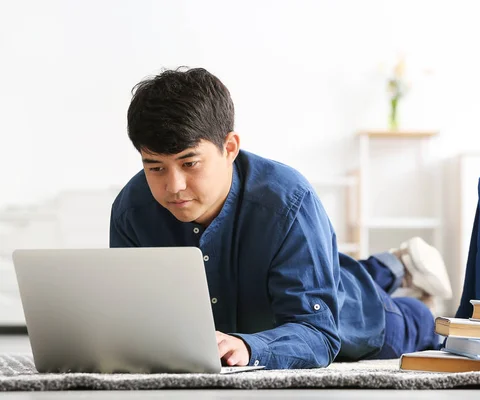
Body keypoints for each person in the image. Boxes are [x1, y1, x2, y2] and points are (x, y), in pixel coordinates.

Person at [110, 67, 453, 370]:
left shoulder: (287, 201)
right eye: (155, 167)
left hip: (357, 320)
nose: (174, 186)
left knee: (415, 323)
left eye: (190, 163)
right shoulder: (131, 210)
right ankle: (393, 264)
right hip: (291, 283)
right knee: (327, 267)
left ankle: (409, 297)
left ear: (229, 148)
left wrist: (249, 346)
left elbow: (318, 330)